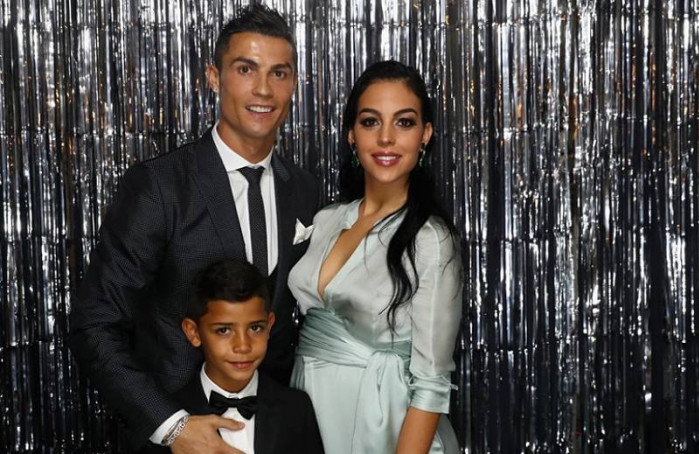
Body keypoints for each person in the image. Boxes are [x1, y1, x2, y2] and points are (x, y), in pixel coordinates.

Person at [69, 4, 319, 453]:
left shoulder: (303, 190)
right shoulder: (159, 186)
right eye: (246, 69)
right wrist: (172, 426)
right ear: (213, 77)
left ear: (295, 82)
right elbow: (95, 323)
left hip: (277, 434)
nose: (264, 89)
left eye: (279, 73)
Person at [288, 60, 462, 454]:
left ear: (425, 134)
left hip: (385, 428)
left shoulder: (431, 240)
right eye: (370, 122)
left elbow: (432, 383)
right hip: (309, 418)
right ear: (352, 134)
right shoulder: (327, 219)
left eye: (404, 123)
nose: (386, 138)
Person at [145, 259, 324, 454]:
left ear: (269, 325)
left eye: (255, 328)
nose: (243, 346)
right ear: (194, 332)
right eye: (224, 330)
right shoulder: (167, 419)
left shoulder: (296, 408)